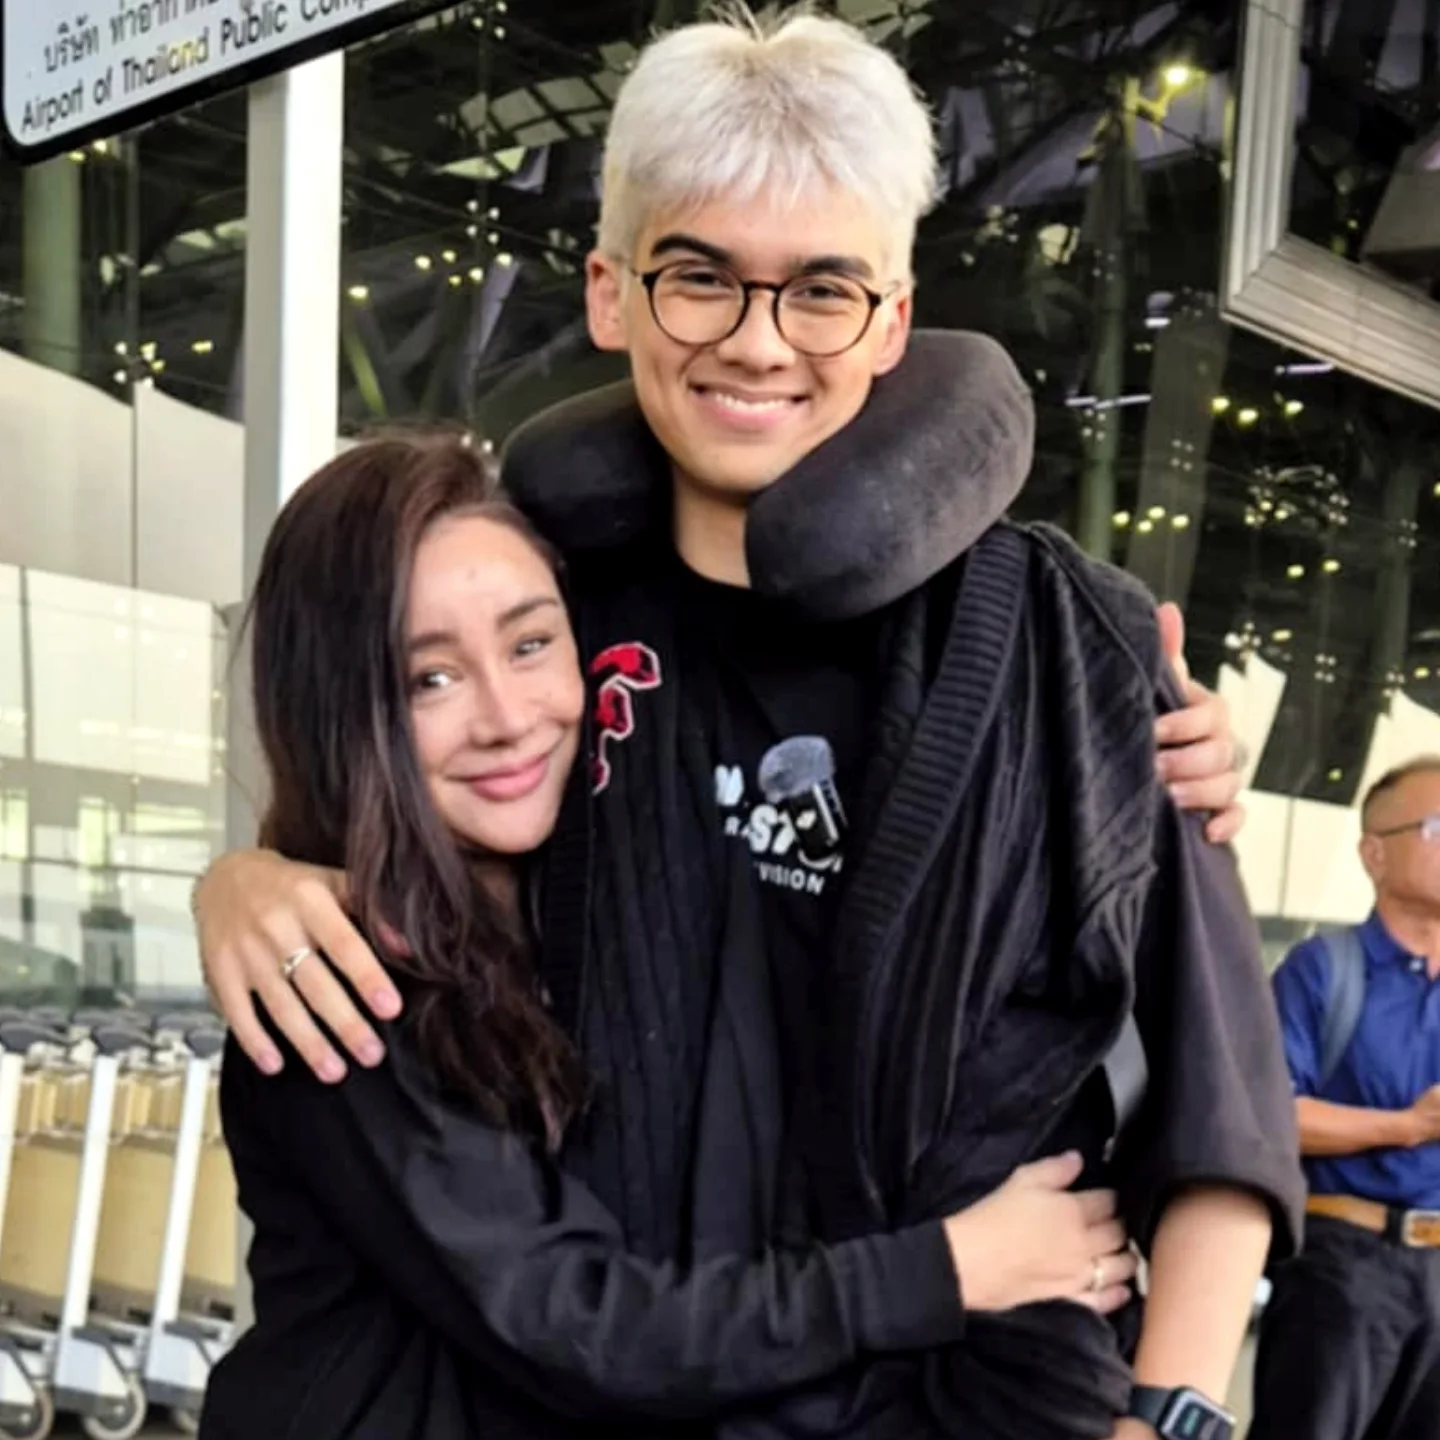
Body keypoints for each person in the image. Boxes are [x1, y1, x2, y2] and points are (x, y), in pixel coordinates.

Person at [196, 10, 1303, 1437]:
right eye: (700, 278)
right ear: (612, 295)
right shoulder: (555, 614)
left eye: (823, 290)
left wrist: (1179, 1411)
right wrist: (248, 877)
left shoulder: (1059, 644)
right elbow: (383, 782)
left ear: (892, 320)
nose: (758, 343)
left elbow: (1219, 1101)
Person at [201, 433, 1140, 1438]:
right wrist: (949, 1269)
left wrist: (1144, 730)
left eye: (531, 644)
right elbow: (578, 1322)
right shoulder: (344, 981)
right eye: (429, 679)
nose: (508, 717)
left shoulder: (585, 896)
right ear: (342, 714)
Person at [1254, 757, 1440, 1440]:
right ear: (1374, 854)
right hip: (1342, 1267)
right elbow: (1272, 1117)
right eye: (1437, 828)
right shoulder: (1323, 971)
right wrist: (1407, 1126)